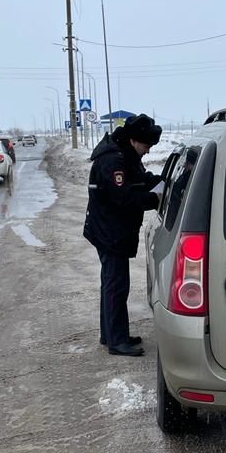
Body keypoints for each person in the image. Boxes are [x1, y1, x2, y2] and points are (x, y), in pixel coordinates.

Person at [83, 114, 164, 356]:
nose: (148, 152)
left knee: (112, 284)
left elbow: (140, 180)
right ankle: (117, 341)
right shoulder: (112, 160)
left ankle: (111, 334)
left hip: (113, 230)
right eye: (146, 146)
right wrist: (155, 199)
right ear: (134, 140)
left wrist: (164, 181)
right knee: (116, 286)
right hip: (109, 232)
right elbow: (123, 198)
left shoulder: (126, 154)